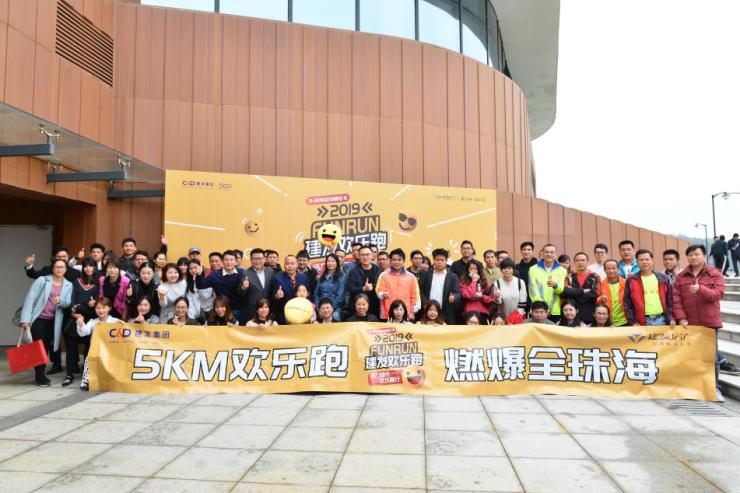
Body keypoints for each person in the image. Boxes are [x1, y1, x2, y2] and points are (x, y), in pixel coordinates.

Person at [672, 244, 739, 394]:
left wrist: (700, 289)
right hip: (689, 323)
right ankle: (695, 387)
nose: (693, 257)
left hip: (709, 322)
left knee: (711, 357)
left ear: (704, 256)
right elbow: (676, 300)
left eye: (696, 254)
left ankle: (714, 388)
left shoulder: (714, 274)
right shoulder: (681, 277)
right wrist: (681, 318)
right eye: (690, 255)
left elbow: (718, 294)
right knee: (691, 356)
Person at [19, 259, 73, 386]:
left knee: (46, 347)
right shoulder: (42, 280)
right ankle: (40, 376)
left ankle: (40, 373)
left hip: (54, 321)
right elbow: (30, 298)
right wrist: (25, 319)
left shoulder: (69, 285)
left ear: (66, 269)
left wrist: (61, 301)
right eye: (56, 267)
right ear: (52, 268)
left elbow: (68, 303)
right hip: (39, 318)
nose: (59, 269)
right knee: (38, 347)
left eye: (62, 267)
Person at [64, 258, 100, 385]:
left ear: (95, 268)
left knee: (88, 348)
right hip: (74, 318)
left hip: (90, 319)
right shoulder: (76, 281)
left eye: (91, 266)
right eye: (86, 266)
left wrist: (83, 306)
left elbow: (96, 304)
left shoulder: (98, 283)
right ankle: (69, 374)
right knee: (71, 348)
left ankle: (86, 373)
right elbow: (72, 301)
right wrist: (77, 309)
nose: (88, 268)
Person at [75, 297, 120, 391]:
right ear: (95, 309)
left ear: (109, 308)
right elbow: (84, 332)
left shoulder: (115, 321)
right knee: (89, 360)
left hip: (111, 353)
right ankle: (87, 382)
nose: (101, 310)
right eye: (98, 308)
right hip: (96, 352)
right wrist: (81, 324)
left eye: (104, 308)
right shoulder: (93, 322)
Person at [196, 250, 250, 324]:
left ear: (236, 262)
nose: (229, 262)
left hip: (240, 309)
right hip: (223, 311)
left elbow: (242, 292)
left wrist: (244, 287)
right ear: (222, 261)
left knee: (239, 330)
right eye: (226, 260)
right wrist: (199, 274)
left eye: (231, 260)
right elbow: (201, 285)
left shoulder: (242, 273)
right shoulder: (215, 275)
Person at [623, 249, 673, 326]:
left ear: (652, 261)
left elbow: (670, 300)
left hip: (662, 319)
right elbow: (627, 303)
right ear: (637, 262)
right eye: (641, 260)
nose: (644, 262)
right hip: (642, 321)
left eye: (647, 259)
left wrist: (671, 318)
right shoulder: (631, 280)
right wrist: (633, 322)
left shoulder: (664, 278)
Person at [418, 248, 461, 325]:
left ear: (446, 261)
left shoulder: (452, 276)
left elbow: (458, 293)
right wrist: (425, 303)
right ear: (434, 260)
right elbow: (420, 291)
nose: (439, 262)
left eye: (442, 260)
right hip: (428, 311)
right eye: (437, 260)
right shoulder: (426, 274)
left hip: (446, 312)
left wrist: (454, 297)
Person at [376, 248, 420, 321]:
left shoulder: (411, 277)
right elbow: (378, 292)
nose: (396, 262)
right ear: (390, 261)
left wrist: (412, 311)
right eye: (394, 260)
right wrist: (383, 295)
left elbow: (415, 297)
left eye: (399, 260)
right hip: (387, 315)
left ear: (404, 261)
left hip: (405, 315)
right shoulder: (383, 275)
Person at [527, 244, 568, 323]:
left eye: (552, 252)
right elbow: (532, 290)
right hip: (538, 311)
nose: (549, 254)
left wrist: (555, 285)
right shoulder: (533, 269)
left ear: (555, 254)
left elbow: (561, 290)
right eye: (546, 252)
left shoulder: (562, 271)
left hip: (555, 310)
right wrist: (543, 308)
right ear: (542, 253)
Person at [561, 252, 600, 324]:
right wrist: (582, 291)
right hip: (572, 317)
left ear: (587, 262)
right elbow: (565, 292)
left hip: (590, 316)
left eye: (583, 260)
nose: (580, 262)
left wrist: (573, 293)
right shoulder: (569, 277)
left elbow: (595, 293)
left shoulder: (595, 276)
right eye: (577, 260)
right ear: (574, 263)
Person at [346, 246, 383, 319]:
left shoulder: (378, 270)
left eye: (367, 254)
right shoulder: (353, 271)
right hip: (358, 308)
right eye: (362, 255)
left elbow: (382, 287)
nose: (365, 257)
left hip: (375, 306)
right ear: (359, 256)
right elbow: (350, 289)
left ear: (372, 255)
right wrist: (363, 289)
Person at [271, 255, 309, 325]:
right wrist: (277, 296)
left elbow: (308, 295)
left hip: (301, 314)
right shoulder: (278, 278)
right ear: (284, 265)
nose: (290, 266)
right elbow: (271, 297)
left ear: (297, 265)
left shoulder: (304, 278)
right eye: (287, 264)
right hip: (284, 315)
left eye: (292, 263)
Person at [313, 253, 345, 321]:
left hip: (334, 308)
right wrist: (319, 309)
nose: (330, 263)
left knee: (335, 316)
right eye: (328, 261)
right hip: (321, 307)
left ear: (337, 263)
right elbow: (316, 294)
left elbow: (340, 296)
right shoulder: (322, 277)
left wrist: (330, 309)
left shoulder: (341, 277)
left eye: (333, 261)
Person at [597, 259, 629, 327]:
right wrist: (600, 299)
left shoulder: (626, 283)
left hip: (625, 321)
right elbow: (595, 301)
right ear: (604, 270)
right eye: (608, 269)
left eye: (613, 268)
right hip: (607, 322)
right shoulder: (600, 284)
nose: (611, 271)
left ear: (618, 269)